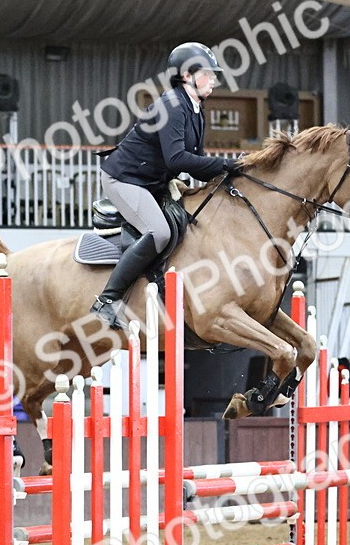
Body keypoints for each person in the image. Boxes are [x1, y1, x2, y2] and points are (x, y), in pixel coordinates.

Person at [91, 42, 240, 330]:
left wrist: (227, 176)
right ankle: (107, 300)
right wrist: (224, 164)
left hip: (153, 180)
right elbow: (178, 158)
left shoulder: (196, 107)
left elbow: (194, 159)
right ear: (187, 75)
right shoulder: (172, 105)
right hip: (124, 179)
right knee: (159, 232)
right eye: (208, 74)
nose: (214, 80)